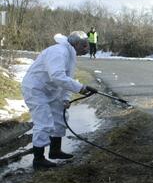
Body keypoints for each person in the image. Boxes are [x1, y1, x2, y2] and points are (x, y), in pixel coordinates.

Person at [21, 31, 97, 170]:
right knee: (44, 123)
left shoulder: (70, 54)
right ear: (76, 44)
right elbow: (57, 76)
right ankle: (38, 160)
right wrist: (81, 88)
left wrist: (66, 98)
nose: (86, 49)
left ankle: (55, 151)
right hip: (36, 89)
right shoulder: (59, 52)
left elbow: (67, 78)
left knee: (60, 116)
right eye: (84, 46)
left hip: (51, 89)